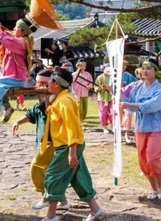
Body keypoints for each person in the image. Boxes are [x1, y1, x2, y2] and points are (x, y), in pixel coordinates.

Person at [42, 67, 103, 221]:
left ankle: (51, 216)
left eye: (50, 80)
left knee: (52, 176)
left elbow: (72, 127)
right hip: (69, 144)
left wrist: (71, 151)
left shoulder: (65, 101)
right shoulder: (60, 98)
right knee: (78, 176)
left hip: (68, 145)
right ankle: (95, 209)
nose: (47, 82)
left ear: (56, 83)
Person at [11, 69, 70, 211]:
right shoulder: (41, 100)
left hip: (54, 141)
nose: (40, 85)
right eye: (38, 82)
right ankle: (62, 202)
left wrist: (47, 99)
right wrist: (18, 121)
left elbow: (49, 111)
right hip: (46, 142)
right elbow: (32, 114)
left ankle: (46, 197)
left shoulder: (55, 99)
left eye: (43, 83)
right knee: (50, 172)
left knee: (37, 167)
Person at [119, 58, 161, 200]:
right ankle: (153, 189)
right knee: (142, 160)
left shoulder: (160, 88)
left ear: (155, 71)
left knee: (152, 158)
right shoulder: (138, 87)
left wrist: (131, 105)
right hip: (140, 128)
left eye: (148, 68)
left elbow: (153, 105)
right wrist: (114, 90)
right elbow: (126, 97)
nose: (145, 71)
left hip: (155, 127)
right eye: (143, 68)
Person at [0, 13, 34, 123]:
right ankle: (7, 108)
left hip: (17, 77)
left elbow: (3, 38)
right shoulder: (15, 38)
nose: (13, 28)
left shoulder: (21, 43)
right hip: (10, 75)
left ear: (23, 32)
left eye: (16, 27)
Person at [71, 59, 94, 124]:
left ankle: (82, 121)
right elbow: (70, 83)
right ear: (77, 66)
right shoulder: (73, 74)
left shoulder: (87, 74)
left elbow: (91, 82)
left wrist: (89, 86)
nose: (82, 67)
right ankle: (79, 123)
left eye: (84, 66)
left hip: (85, 92)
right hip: (76, 93)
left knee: (84, 109)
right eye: (81, 66)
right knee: (79, 109)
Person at [94, 64, 113, 133]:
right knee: (103, 113)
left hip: (111, 97)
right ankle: (104, 127)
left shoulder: (113, 77)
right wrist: (100, 88)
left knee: (113, 112)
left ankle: (113, 125)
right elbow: (96, 88)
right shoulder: (100, 77)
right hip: (102, 98)